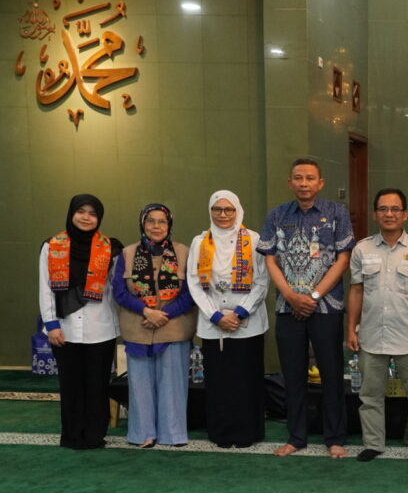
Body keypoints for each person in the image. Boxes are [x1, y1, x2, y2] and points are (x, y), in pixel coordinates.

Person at [258, 158, 355, 459]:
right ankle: (296, 437)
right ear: (290, 183)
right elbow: (270, 259)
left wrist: (312, 296)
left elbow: (343, 259)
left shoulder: (336, 212)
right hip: (288, 308)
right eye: (298, 178)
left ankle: (334, 438)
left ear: (320, 183)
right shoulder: (277, 215)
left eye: (310, 178)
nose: (304, 183)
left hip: (326, 307)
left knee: (331, 373)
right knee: (293, 374)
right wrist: (290, 295)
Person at [346, 188, 408, 465]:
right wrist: (351, 328)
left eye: (395, 209)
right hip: (372, 334)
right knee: (369, 396)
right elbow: (357, 290)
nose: (389, 214)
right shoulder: (362, 249)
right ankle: (373, 444)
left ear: (404, 214)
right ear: (375, 214)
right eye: (383, 209)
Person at [38, 194, 122, 450]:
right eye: (81, 212)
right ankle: (72, 436)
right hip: (65, 329)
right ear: (71, 213)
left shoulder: (111, 248)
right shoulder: (52, 246)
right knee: (71, 385)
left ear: (99, 218)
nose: (86, 217)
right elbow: (45, 288)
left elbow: (115, 291)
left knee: (97, 384)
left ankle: (95, 435)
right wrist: (51, 324)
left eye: (92, 213)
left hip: (102, 328)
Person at [186, 190, 269, 448]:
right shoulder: (200, 242)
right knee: (219, 381)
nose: (223, 214)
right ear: (210, 211)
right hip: (214, 323)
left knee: (246, 379)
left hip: (248, 322)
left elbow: (262, 281)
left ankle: (247, 433)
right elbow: (193, 282)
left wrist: (240, 312)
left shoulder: (254, 240)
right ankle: (221, 432)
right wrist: (215, 315)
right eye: (217, 209)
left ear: (238, 211)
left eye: (229, 209)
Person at [113, 203, 197, 448]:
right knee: (139, 385)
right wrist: (147, 311)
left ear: (169, 225)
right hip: (138, 326)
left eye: (162, 221)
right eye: (151, 221)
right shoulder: (127, 254)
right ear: (142, 224)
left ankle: (173, 435)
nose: (156, 226)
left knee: (173, 384)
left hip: (174, 327)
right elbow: (119, 291)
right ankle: (143, 434)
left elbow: (191, 292)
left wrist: (163, 314)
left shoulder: (184, 252)